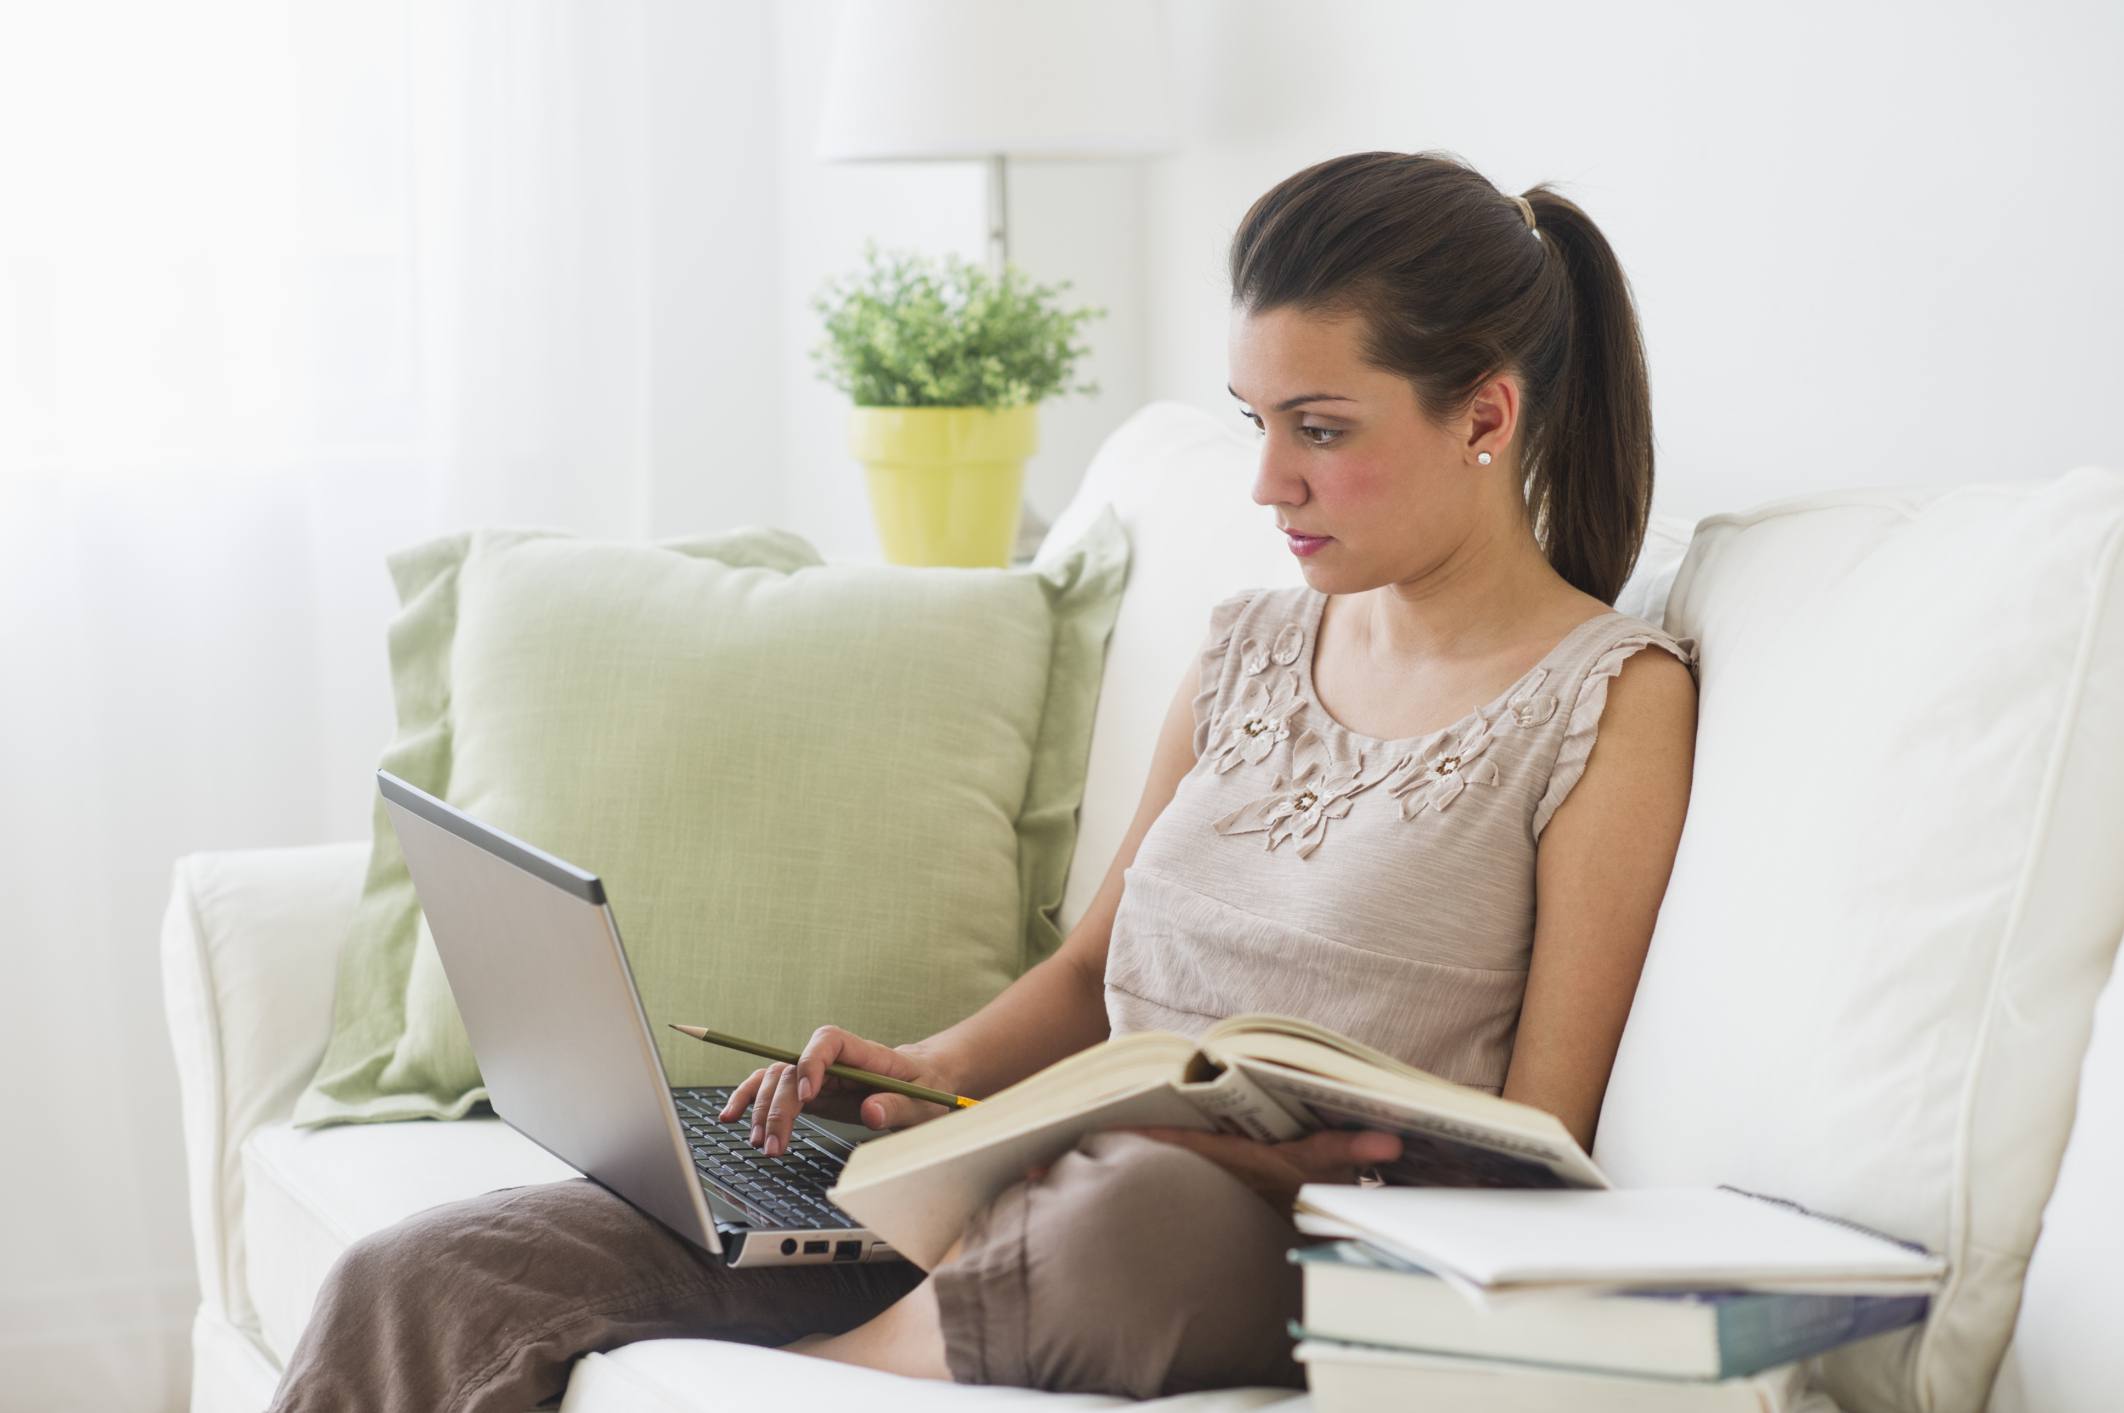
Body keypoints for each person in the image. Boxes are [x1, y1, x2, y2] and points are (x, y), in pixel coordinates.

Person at [267, 149, 1699, 1413]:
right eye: (1250, 420)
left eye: (1318, 428)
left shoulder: (1608, 703)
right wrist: (934, 1073)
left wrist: (1252, 1167)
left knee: (1125, 1222)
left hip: (1243, 1228)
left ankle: (828, 1362)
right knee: (426, 1274)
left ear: (1486, 415)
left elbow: (1540, 1144)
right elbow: (1092, 972)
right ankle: (866, 1278)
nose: (1267, 483)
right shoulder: (1251, 646)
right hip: (1026, 1166)